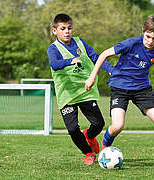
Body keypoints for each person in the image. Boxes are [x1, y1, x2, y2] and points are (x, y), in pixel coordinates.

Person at [85, 15, 154, 169]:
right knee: (118, 126)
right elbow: (104, 55)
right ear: (143, 32)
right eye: (147, 36)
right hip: (119, 87)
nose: (150, 41)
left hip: (142, 90)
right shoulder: (131, 43)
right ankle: (106, 144)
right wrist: (92, 77)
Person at [47, 14, 114, 165]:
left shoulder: (79, 42)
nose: (67, 32)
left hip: (85, 90)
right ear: (54, 31)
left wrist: (111, 70)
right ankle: (88, 152)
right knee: (72, 129)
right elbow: (54, 64)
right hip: (67, 94)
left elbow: (96, 57)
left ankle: (89, 136)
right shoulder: (53, 49)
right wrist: (70, 61)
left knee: (98, 124)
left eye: (69, 28)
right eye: (63, 29)